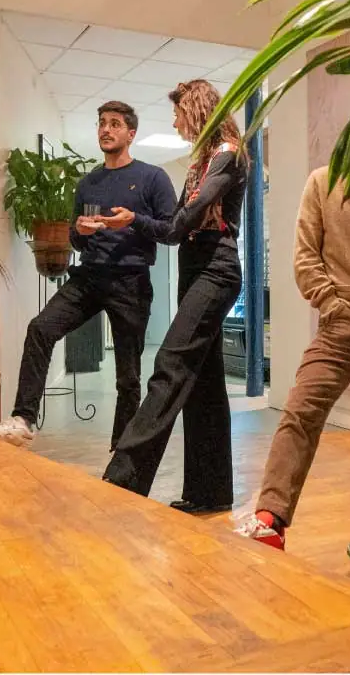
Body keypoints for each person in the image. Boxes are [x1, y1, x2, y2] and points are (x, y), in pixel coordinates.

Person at [238, 87, 350, 582]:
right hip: (344, 322)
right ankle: (271, 518)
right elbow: (305, 259)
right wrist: (334, 306)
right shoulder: (325, 181)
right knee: (302, 412)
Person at [0, 100, 177, 451]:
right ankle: (23, 420)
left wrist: (133, 220)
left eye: (115, 123)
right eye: (102, 122)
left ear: (130, 134)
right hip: (88, 277)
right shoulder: (88, 183)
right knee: (40, 329)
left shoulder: (152, 177)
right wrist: (80, 233)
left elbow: (171, 231)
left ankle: (123, 455)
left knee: (128, 377)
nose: (106, 129)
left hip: (130, 282)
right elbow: (75, 237)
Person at [101, 80, 248, 513]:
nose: (174, 122)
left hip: (216, 271)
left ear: (196, 109)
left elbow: (184, 221)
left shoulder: (227, 154)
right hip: (195, 270)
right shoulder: (203, 161)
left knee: (169, 364)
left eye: (178, 113)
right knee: (203, 385)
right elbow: (171, 230)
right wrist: (133, 220)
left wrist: (146, 220)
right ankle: (210, 494)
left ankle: (122, 480)